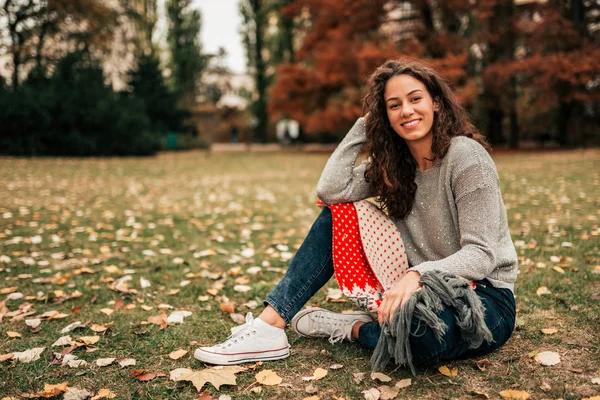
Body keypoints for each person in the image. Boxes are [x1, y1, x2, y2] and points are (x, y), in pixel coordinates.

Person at [194, 58, 518, 370]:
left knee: (419, 338)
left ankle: (353, 329)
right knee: (336, 215)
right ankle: (270, 326)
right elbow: (331, 191)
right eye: (393, 105)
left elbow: (481, 255)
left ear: (436, 103)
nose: (406, 110)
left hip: (485, 295)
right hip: (417, 292)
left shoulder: (467, 159)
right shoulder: (393, 164)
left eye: (415, 99)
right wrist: (364, 126)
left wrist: (416, 275)